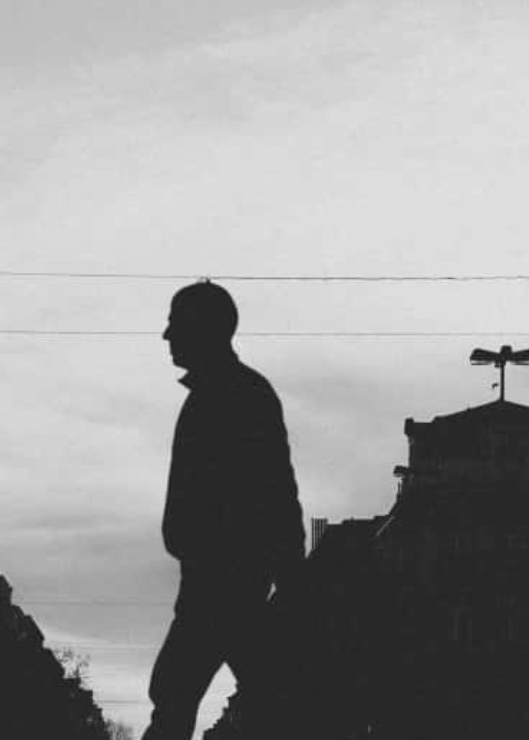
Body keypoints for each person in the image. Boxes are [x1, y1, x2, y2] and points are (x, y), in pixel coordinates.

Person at [143, 280, 306, 740]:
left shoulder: (233, 395)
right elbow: (278, 490)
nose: (166, 336)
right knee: (266, 696)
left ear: (202, 329)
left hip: (221, 581)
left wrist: (288, 577)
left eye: (175, 324)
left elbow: (274, 489)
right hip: (226, 580)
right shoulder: (232, 393)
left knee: (175, 694)